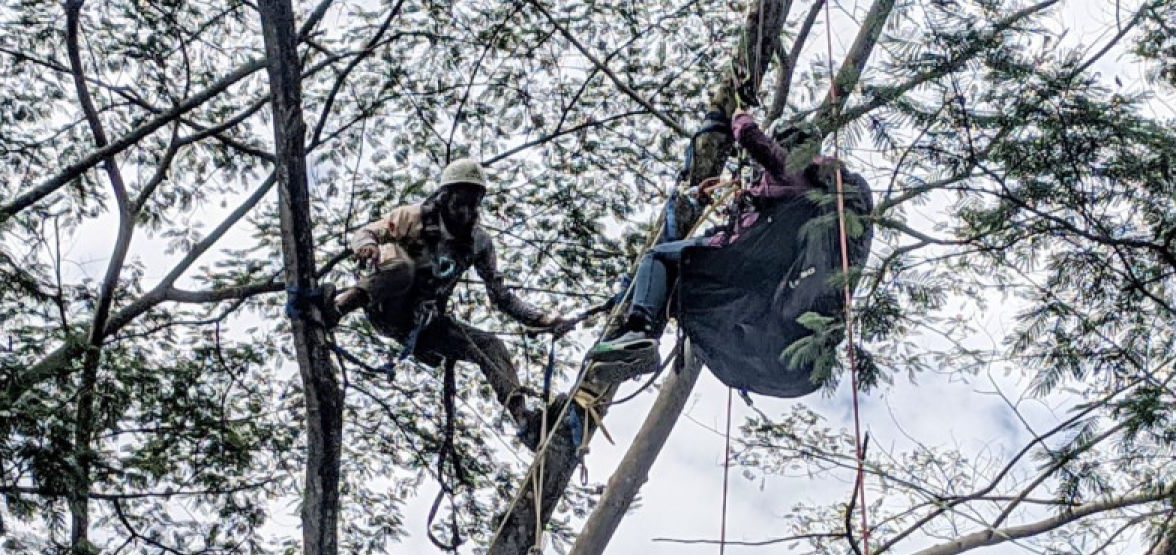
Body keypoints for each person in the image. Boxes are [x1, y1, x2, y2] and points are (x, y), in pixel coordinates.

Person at [330, 158, 571, 447]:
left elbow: (501, 297)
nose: (466, 211)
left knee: (490, 345)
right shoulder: (413, 218)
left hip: (423, 323)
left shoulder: (478, 242)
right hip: (388, 305)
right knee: (402, 268)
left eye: (473, 203)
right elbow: (367, 232)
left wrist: (543, 320)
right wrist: (367, 247)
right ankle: (336, 308)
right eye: (460, 202)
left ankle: (526, 423)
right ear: (445, 198)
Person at [589, 106, 835, 382]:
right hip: (758, 269)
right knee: (676, 285)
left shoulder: (794, 168)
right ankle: (641, 347)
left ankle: (638, 332)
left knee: (656, 257)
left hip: (738, 251)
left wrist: (740, 116)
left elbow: (752, 138)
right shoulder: (815, 190)